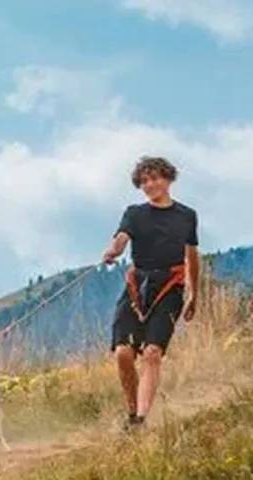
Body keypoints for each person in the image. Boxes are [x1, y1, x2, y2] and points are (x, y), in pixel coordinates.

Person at [102, 155, 199, 430]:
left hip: (170, 287)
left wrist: (194, 294)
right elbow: (121, 238)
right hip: (137, 285)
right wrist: (113, 250)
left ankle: (141, 420)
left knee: (152, 353)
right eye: (144, 181)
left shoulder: (187, 216)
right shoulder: (134, 213)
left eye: (155, 178)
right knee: (123, 353)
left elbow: (191, 256)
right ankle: (132, 413)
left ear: (168, 179)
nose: (150, 184)